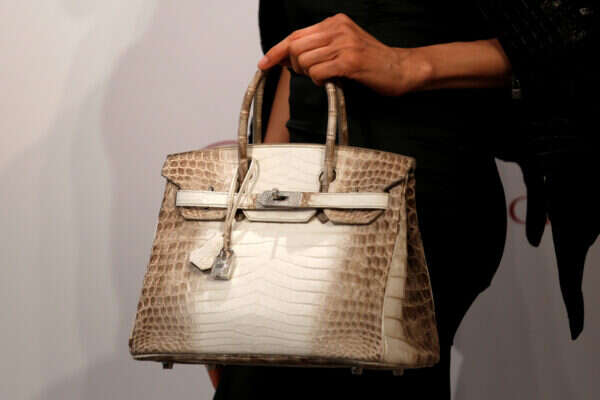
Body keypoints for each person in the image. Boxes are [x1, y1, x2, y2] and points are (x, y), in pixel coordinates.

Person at [212, 1, 513, 399]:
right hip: (300, 187)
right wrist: (257, 202)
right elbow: (299, 43)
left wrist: (405, 65)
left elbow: (562, 47)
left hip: (415, 194)